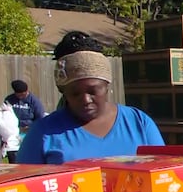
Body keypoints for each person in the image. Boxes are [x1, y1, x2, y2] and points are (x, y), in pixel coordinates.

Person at [17, 31, 165, 164]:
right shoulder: (43, 134)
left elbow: (163, 175)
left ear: (107, 86)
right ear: (63, 92)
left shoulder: (139, 123)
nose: (86, 100)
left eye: (93, 91)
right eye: (75, 93)